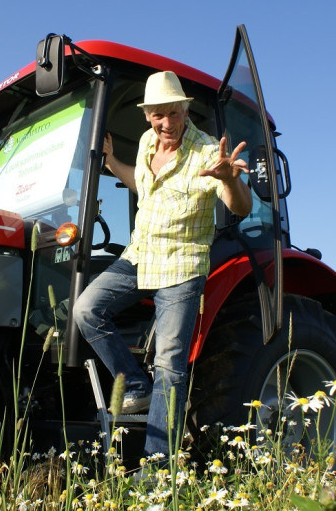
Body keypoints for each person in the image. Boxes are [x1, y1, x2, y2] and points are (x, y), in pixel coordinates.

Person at [72, 71, 252, 459]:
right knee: (86, 309)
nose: (166, 123)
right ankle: (136, 385)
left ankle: (157, 466)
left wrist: (230, 181)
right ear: (148, 115)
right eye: (158, 115)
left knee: (170, 363)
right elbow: (144, 185)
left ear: (186, 110)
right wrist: (110, 162)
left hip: (182, 265)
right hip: (139, 255)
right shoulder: (145, 142)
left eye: (173, 113)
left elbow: (241, 206)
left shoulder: (206, 153)